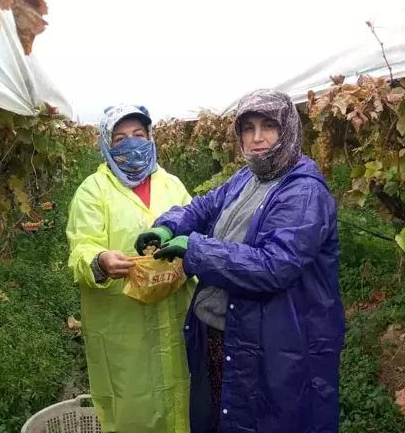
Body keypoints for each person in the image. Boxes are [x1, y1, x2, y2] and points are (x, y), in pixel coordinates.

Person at [135, 89, 345, 433]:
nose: (257, 138)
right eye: (248, 128)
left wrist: (196, 250)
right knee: (221, 416)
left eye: (268, 126)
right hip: (226, 333)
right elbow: (205, 207)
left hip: (272, 342)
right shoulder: (248, 177)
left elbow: (272, 267)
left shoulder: (304, 193)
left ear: (289, 129)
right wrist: (168, 226)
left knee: (266, 419)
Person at [66, 103, 195, 433]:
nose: (132, 145)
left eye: (139, 135)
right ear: (107, 144)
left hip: (174, 309)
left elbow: (196, 226)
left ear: (151, 138)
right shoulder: (92, 192)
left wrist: (190, 248)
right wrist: (100, 261)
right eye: (121, 138)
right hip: (122, 323)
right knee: (132, 404)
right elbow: (83, 246)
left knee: (183, 397)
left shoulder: (172, 185)